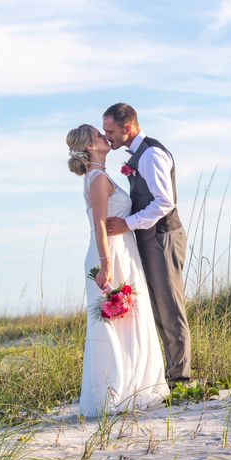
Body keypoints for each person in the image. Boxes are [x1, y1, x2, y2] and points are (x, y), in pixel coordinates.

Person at [66, 124, 169, 417]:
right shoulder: (97, 178)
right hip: (111, 254)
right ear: (90, 146)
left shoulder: (100, 175)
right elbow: (99, 222)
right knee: (115, 322)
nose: (105, 138)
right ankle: (117, 390)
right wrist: (106, 263)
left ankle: (135, 384)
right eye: (99, 136)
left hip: (122, 250)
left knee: (129, 318)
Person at [103, 103, 191, 388]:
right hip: (150, 238)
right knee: (157, 307)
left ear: (127, 128)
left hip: (163, 237)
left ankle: (181, 377)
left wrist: (128, 224)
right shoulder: (138, 155)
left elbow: (165, 203)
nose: (108, 137)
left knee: (170, 306)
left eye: (111, 131)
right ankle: (171, 374)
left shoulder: (151, 154)